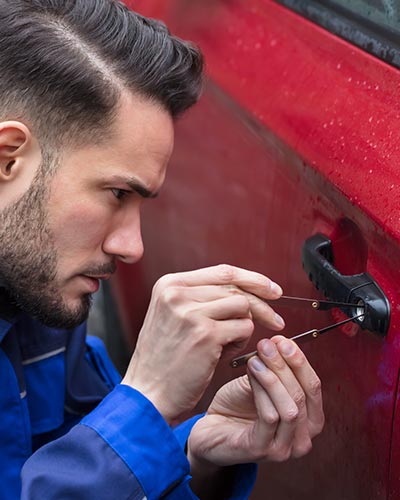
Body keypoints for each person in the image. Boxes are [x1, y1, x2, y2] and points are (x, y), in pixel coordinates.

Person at [0, 0, 325, 499]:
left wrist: (191, 455)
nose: (132, 247)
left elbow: (73, 462)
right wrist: (145, 400)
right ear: (9, 158)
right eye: (117, 194)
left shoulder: (37, 296)